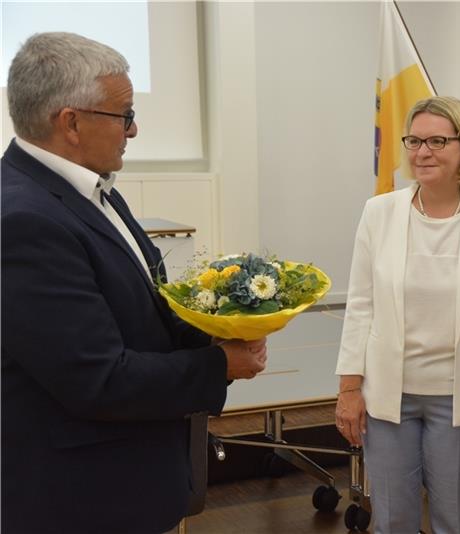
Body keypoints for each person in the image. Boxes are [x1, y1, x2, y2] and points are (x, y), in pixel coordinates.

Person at [1, 32, 266, 534]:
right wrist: (217, 364)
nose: (135, 130)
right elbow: (96, 379)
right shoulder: (22, 219)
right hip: (81, 501)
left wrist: (217, 332)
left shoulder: (93, 191)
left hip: (129, 481)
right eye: (124, 115)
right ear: (71, 122)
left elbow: (144, 317)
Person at [335, 95, 460, 533]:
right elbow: (361, 303)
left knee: (453, 520)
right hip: (388, 396)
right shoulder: (379, 212)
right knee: (392, 519)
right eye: (415, 141)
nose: (423, 152)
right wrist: (348, 388)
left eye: (437, 141)